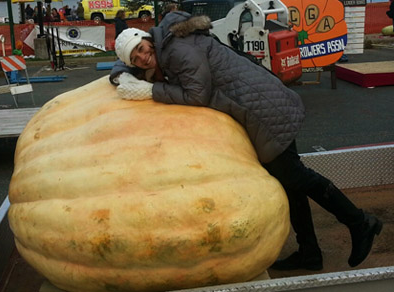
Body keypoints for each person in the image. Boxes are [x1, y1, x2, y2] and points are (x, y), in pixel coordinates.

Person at [110, 11, 383, 271]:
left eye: (142, 49)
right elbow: (137, 61)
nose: (143, 58)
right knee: (290, 182)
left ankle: (359, 222)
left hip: (265, 110)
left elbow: (197, 95)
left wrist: (151, 90)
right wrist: (119, 71)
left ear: (148, 40)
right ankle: (310, 252)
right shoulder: (169, 42)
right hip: (264, 103)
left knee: (296, 177)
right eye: (135, 58)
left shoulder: (177, 51)